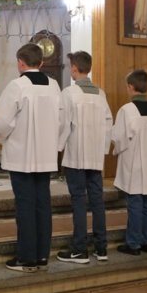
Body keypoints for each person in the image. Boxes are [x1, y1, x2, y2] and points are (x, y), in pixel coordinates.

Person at [0, 43, 63, 273]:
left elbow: (1, 121)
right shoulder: (54, 85)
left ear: (20, 63)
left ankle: (26, 258)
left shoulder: (18, 85)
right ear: (41, 62)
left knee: (25, 205)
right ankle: (42, 256)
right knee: (43, 204)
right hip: (45, 155)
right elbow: (61, 120)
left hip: (21, 155)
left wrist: (4, 137)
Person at [56, 51, 113, 264]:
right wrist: (102, 149)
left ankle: (79, 249)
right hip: (95, 156)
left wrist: (57, 147)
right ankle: (101, 247)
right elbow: (108, 123)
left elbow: (63, 123)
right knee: (97, 200)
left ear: (74, 68)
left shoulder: (69, 93)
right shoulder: (100, 93)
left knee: (79, 200)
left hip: (76, 155)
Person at [113, 69, 147, 256]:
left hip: (134, 162)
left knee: (135, 203)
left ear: (130, 87)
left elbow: (119, 138)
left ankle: (133, 244)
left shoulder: (127, 110)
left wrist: (116, 150)